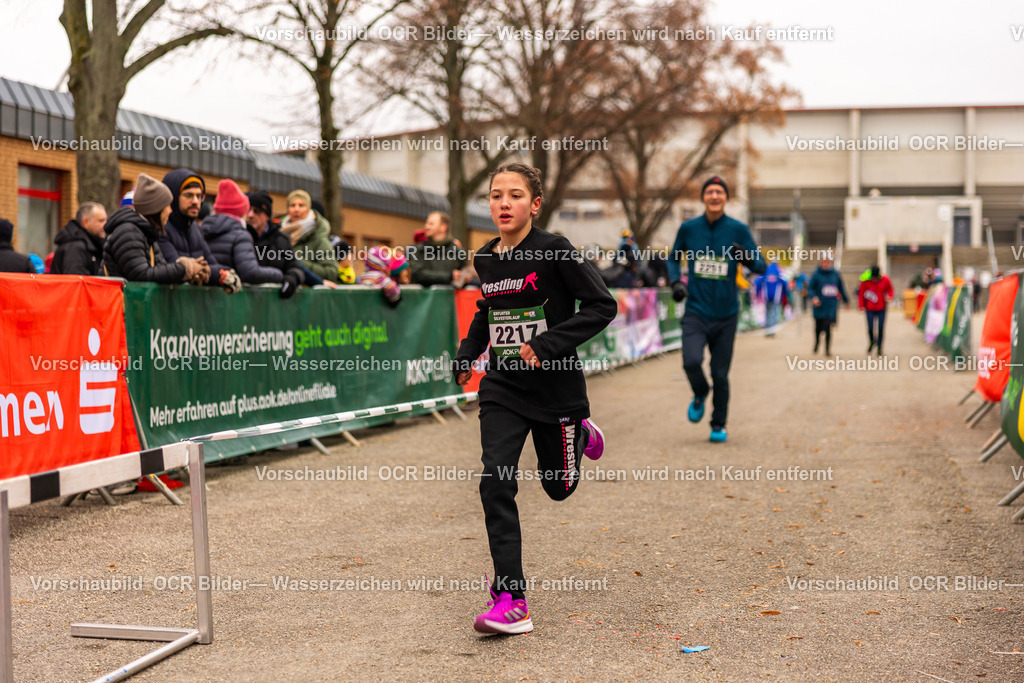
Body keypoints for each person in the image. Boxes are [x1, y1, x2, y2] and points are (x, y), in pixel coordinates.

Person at [452, 163, 616, 635]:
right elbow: (488, 310)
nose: (504, 203)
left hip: (555, 390)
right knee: (495, 481)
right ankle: (512, 598)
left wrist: (547, 345)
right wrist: (467, 353)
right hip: (503, 387)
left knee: (558, 487)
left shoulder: (555, 251)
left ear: (535, 204)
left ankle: (578, 432)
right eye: (496, 195)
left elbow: (603, 305)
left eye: (515, 195)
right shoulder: (487, 259)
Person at [666, 175, 767, 443]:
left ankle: (718, 424)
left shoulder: (738, 229)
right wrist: (676, 282)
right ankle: (700, 392)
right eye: (709, 191)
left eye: (719, 192)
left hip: (726, 315)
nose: (714, 196)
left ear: (725, 198)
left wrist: (746, 257)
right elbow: (673, 258)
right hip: (696, 311)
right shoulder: (689, 228)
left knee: (720, 374)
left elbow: (761, 265)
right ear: (703, 197)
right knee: (691, 362)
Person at [203, 180, 303, 297]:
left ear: (267, 215)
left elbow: (295, 267)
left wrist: (291, 279)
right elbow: (250, 272)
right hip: (236, 299)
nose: (250, 215)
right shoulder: (239, 234)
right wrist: (279, 275)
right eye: (248, 210)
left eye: (257, 211)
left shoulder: (281, 240)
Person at [102, 174, 204, 283]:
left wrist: (192, 272)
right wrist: (184, 268)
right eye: (167, 206)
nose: (170, 211)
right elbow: (141, 275)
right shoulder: (128, 232)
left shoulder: (147, 233)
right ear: (156, 208)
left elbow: (160, 270)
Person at [159, 169, 241, 293]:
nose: (195, 201)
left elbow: (215, 265)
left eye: (199, 196)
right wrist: (210, 273)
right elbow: (174, 269)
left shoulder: (195, 229)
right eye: (188, 195)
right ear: (173, 197)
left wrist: (207, 272)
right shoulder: (161, 228)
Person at [279, 190, 340, 283]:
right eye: (292, 205)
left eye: (301, 205)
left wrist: (296, 261)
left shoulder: (319, 238)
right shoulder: (279, 234)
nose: (296, 209)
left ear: (308, 209)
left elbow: (331, 273)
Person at [408, 211, 468, 286]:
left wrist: (463, 278)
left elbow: (463, 275)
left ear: (443, 227)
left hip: (450, 293)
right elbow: (418, 274)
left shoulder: (457, 251)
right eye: (426, 223)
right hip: (425, 293)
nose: (426, 227)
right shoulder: (420, 249)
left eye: (431, 224)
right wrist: (449, 276)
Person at [51, 202, 108, 275]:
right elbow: (75, 278)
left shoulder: (93, 243)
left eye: (106, 220)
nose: (105, 225)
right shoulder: (75, 247)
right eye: (101, 221)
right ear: (85, 222)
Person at [808, 255, 849, 355]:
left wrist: (846, 300)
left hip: (831, 305)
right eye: (824, 262)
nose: (825, 264)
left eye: (827, 262)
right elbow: (810, 289)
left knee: (828, 327)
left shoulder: (835, 274)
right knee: (818, 327)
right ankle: (817, 342)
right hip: (819, 305)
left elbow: (841, 288)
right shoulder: (816, 274)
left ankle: (827, 349)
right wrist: (814, 297)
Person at [858, 264, 894, 355]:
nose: (874, 280)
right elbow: (861, 293)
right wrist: (861, 306)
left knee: (881, 328)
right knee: (870, 327)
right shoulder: (865, 281)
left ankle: (880, 347)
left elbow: (890, 290)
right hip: (869, 308)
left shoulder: (885, 280)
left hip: (881, 307)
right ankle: (872, 341)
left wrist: (889, 296)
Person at [755, 260, 786, 336]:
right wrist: (786, 295)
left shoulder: (766, 270)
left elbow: (758, 282)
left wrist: (757, 293)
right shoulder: (779, 271)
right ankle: (772, 330)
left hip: (767, 296)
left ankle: (768, 329)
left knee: (768, 313)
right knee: (774, 313)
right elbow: (784, 283)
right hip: (776, 297)